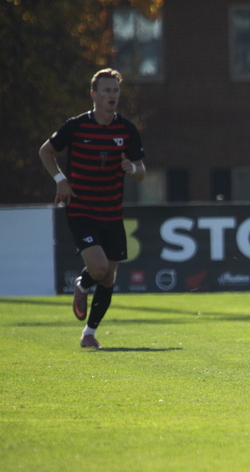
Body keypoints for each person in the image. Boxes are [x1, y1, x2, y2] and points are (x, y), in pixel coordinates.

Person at [39, 68, 146, 348]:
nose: (113, 95)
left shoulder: (126, 129)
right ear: (94, 94)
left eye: (116, 90)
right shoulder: (76, 126)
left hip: (112, 211)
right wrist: (61, 180)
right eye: (107, 90)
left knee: (109, 277)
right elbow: (45, 151)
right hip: (81, 208)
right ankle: (82, 284)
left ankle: (89, 333)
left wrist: (132, 167)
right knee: (98, 269)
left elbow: (142, 171)